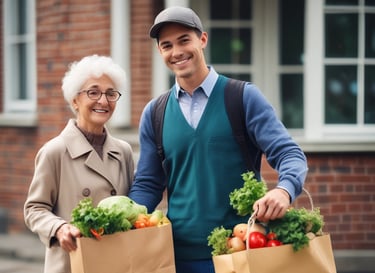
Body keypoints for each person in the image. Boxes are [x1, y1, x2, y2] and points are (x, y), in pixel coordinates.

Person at [128, 6, 308, 273]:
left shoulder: (242, 97)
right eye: (167, 45)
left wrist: (285, 190)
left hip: (239, 251)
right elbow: (148, 183)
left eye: (184, 40)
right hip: (177, 256)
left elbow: (289, 153)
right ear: (160, 52)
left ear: (202, 39)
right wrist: (123, 219)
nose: (176, 52)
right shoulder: (155, 112)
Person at [24, 54, 134, 273]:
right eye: (93, 92)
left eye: (111, 93)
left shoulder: (123, 151)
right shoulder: (54, 151)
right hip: (71, 263)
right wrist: (59, 227)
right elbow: (34, 208)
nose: (103, 101)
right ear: (75, 100)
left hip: (115, 262)